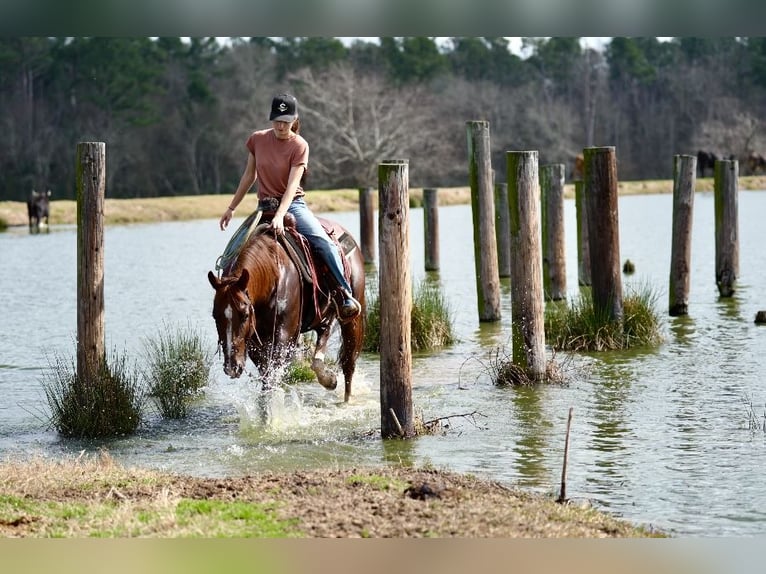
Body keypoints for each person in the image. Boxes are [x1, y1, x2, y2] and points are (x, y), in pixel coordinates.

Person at [219, 93, 361, 320]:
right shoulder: (257, 139)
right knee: (231, 253)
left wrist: (280, 215)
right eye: (277, 120)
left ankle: (344, 293)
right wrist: (232, 208)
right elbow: (249, 176)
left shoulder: (299, 145)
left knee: (322, 242)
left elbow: (292, 185)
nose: (280, 125)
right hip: (263, 207)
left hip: (293, 205)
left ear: (294, 120)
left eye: (285, 121)